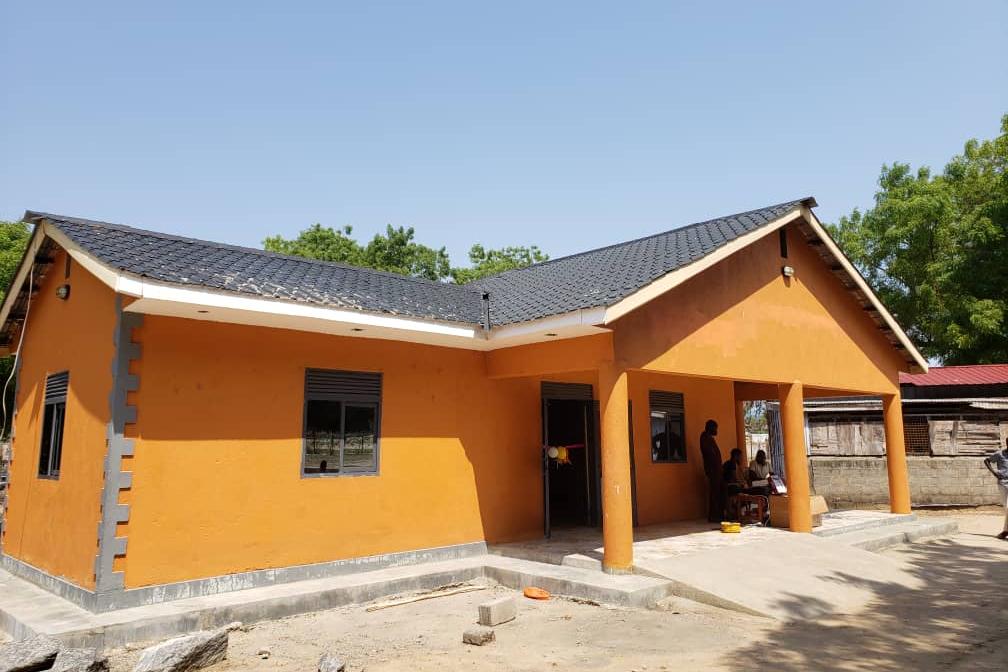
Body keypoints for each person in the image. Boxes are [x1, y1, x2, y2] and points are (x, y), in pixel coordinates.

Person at [983, 437, 1008, 540]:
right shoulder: (1000, 454)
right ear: (1007, 443)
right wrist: (994, 473)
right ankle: (1005, 531)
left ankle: (1005, 531)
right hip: (1003, 483)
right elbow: (986, 461)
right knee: (1007, 508)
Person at [700, 420, 723, 523]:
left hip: (717, 469)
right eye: (715, 428)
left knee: (718, 492)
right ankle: (713, 515)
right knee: (714, 492)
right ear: (710, 428)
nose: (716, 430)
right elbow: (709, 453)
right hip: (712, 469)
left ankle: (718, 514)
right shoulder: (704, 437)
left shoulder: (710, 438)